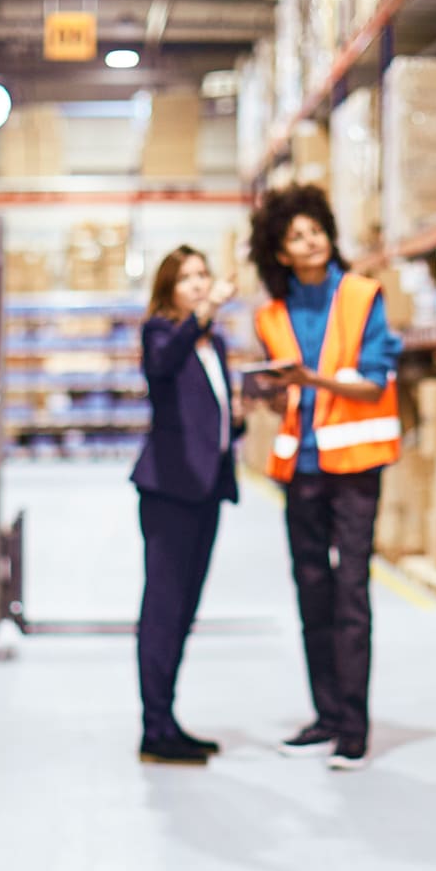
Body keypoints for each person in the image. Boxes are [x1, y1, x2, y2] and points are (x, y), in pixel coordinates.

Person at [248, 184, 403, 772]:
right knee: (311, 590)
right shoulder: (271, 315)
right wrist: (264, 390)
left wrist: (309, 380)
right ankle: (326, 714)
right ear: (281, 253)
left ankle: (354, 729)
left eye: (316, 230)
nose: (310, 241)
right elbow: (281, 397)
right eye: (296, 236)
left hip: (356, 468)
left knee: (350, 592)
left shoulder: (362, 296)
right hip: (301, 468)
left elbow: (374, 381)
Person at [131, 247, 240, 767]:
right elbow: (161, 364)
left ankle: (168, 721)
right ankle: (155, 728)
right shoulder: (162, 333)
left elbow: (206, 416)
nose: (199, 284)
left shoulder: (213, 343)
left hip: (207, 488)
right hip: (170, 490)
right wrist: (204, 312)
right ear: (169, 289)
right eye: (188, 278)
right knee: (163, 609)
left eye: (204, 274)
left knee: (185, 611)